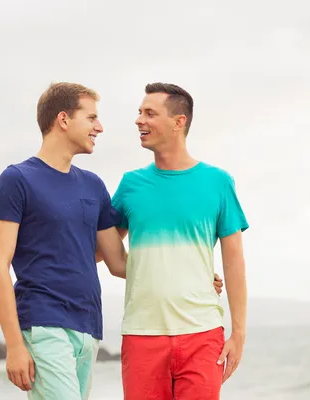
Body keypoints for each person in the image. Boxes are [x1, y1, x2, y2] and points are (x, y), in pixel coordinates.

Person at [0, 82, 224, 400]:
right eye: (91, 117)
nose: (99, 127)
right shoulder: (17, 180)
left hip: (87, 328)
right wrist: (14, 345)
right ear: (64, 120)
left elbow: (119, 262)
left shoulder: (93, 186)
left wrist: (191, 271)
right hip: (42, 322)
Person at [109, 82, 249, 399]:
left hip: (202, 335)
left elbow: (234, 262)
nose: (139, 120)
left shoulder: (217, 182)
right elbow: (100, 253)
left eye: (149, 113)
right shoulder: (131, 185)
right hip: (142, 335)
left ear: (178, 121)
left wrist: (238, 332)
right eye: (139, 112)